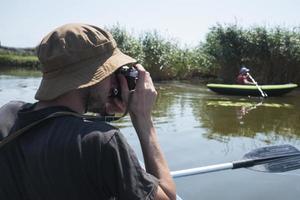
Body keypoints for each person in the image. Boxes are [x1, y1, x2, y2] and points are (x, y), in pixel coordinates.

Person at [0, 23, 176, 200]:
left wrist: (101, 108)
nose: (116, 80)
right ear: (94, 75)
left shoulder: (8, 115)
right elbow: (168, 197)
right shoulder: (103, 142)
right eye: (112, 71)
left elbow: (58, 127)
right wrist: (143, 118)